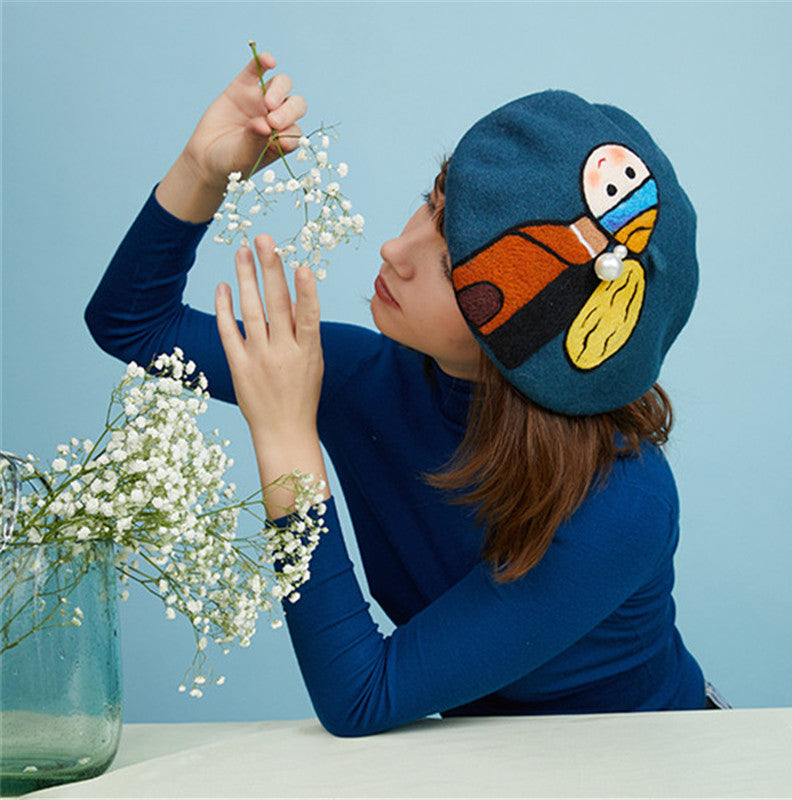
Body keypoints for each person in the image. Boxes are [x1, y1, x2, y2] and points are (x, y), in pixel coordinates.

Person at [85, 51, 720, 737]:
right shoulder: (368, 379)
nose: (395, 248)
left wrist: (285, 438)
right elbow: (132, 322)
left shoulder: (623, 502)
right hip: (475, 768)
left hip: (657, 766)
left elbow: (360, 698)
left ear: (533, 331)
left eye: (449, 264)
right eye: (432, 203)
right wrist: (203, 170)